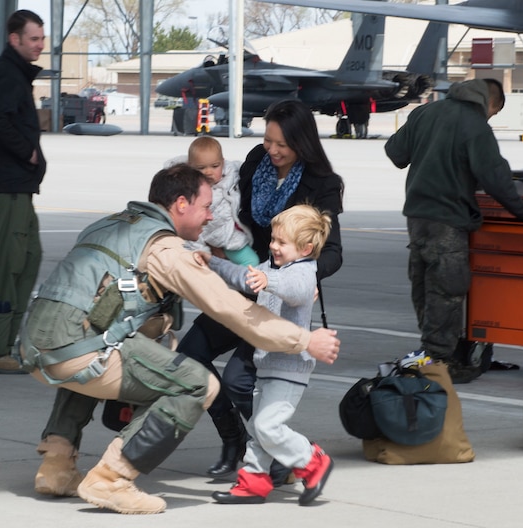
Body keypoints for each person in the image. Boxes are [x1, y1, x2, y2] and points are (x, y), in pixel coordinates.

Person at [20, 164, 341, 515]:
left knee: (93, 346)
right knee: (197, 385)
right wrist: (303, 340)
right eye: (206, 207)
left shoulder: (112, 225)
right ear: (182, 204)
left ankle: (56, 464)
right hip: (77, 353)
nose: (210, 216)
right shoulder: (166, 250)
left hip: (37, 347)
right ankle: (112, 478)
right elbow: (230, 308)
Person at [176, 99, 344, 478]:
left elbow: (332, 253)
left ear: (302, 142)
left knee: (238, 378)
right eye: (267, 140)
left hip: (276, 295)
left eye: (281, 144)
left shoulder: (322, 184)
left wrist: (303, 275)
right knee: (190, 356)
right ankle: (235, 439)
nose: (272, 150)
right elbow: (228, 207)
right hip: (242, 281)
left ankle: (277, 453)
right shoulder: (256, 163)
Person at [384, 78, 523, 384]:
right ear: (491, 103)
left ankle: (430, 351)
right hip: (448, 219)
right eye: (493, 113)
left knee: (424, 282)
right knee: (447, 287)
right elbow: (494, 176)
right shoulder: (475, 124)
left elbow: (395, 152)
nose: (490, 118)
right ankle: (441, 360)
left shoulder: (425, 112)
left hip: (416, 216)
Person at [204, 204, 335, 506]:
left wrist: (269, 281)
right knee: (258, 429)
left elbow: (296, 291)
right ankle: (253, 481)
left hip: (291, 367)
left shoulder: (303, 271)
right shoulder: (272, 269)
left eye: (281, 242)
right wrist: (210, 262)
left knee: (267, 426)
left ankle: (312, 461)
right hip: (267, 364)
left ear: (306, 247)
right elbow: (242, 276)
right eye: (273, 240)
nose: (273, 246)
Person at [0, 10, 47, 374]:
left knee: (27, 259)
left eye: (41, 38)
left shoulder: (12, 75)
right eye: (33, 38)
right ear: (14, 39)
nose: (39, 45)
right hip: (7, 189)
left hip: (17, 188)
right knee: (5, 267)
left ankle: (5, 343)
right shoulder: (6, 75)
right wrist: (26, 150)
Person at [166, 136, 259, 266]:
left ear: (223, 162)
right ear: (189, 167)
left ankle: (237, 282)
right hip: (197, 238)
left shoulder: (231, 178)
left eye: (215, 166)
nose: (208, 172)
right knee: (198, 264)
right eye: (201, 168)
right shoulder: (186, 188)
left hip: (229, 238)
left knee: (252, 261)